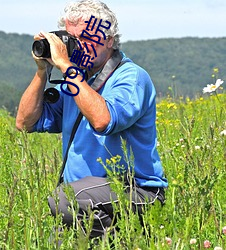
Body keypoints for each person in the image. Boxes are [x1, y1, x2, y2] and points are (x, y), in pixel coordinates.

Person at [16, 0, 168, 244]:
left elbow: (103, 120)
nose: (76, 46)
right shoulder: (76, 81)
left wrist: (66, 66)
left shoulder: (131, 77)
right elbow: (25, 123)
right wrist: (42, 70)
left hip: (136, 192)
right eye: (70, 38)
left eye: (85, 38)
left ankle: (123, 241)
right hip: (86, 199)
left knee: (64, 200)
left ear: (108, 39)